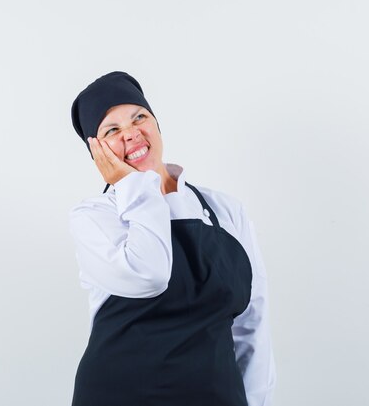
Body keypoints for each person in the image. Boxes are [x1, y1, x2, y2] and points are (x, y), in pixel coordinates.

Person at [69, 71, 276, 406]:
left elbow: (253, 323)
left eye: (140, 117)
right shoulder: (95, 217)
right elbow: (149, 275)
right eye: (112, 130)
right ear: (97, 151)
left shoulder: (224, 210)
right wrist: (135, 187)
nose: (132, 134)